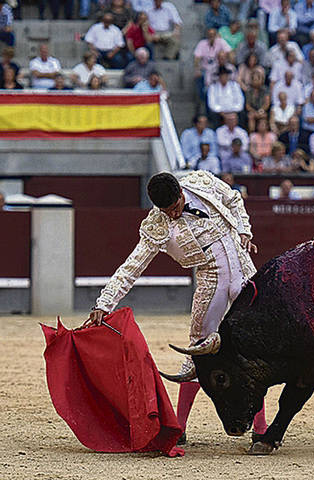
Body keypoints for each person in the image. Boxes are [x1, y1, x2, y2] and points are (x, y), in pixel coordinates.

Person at [84, 171, 265, 444]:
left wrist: (243, 230)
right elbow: (132, 267)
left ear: (182, 193)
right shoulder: (157, 225)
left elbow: (234, 199)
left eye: (175, 208)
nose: (172, 215)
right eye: (166, 211)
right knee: (197, 352)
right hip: (211, 280)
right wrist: (104, 302)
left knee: (254, 349)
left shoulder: (202, 182)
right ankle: (179, 428)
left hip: (244, 272)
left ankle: (261, 430)